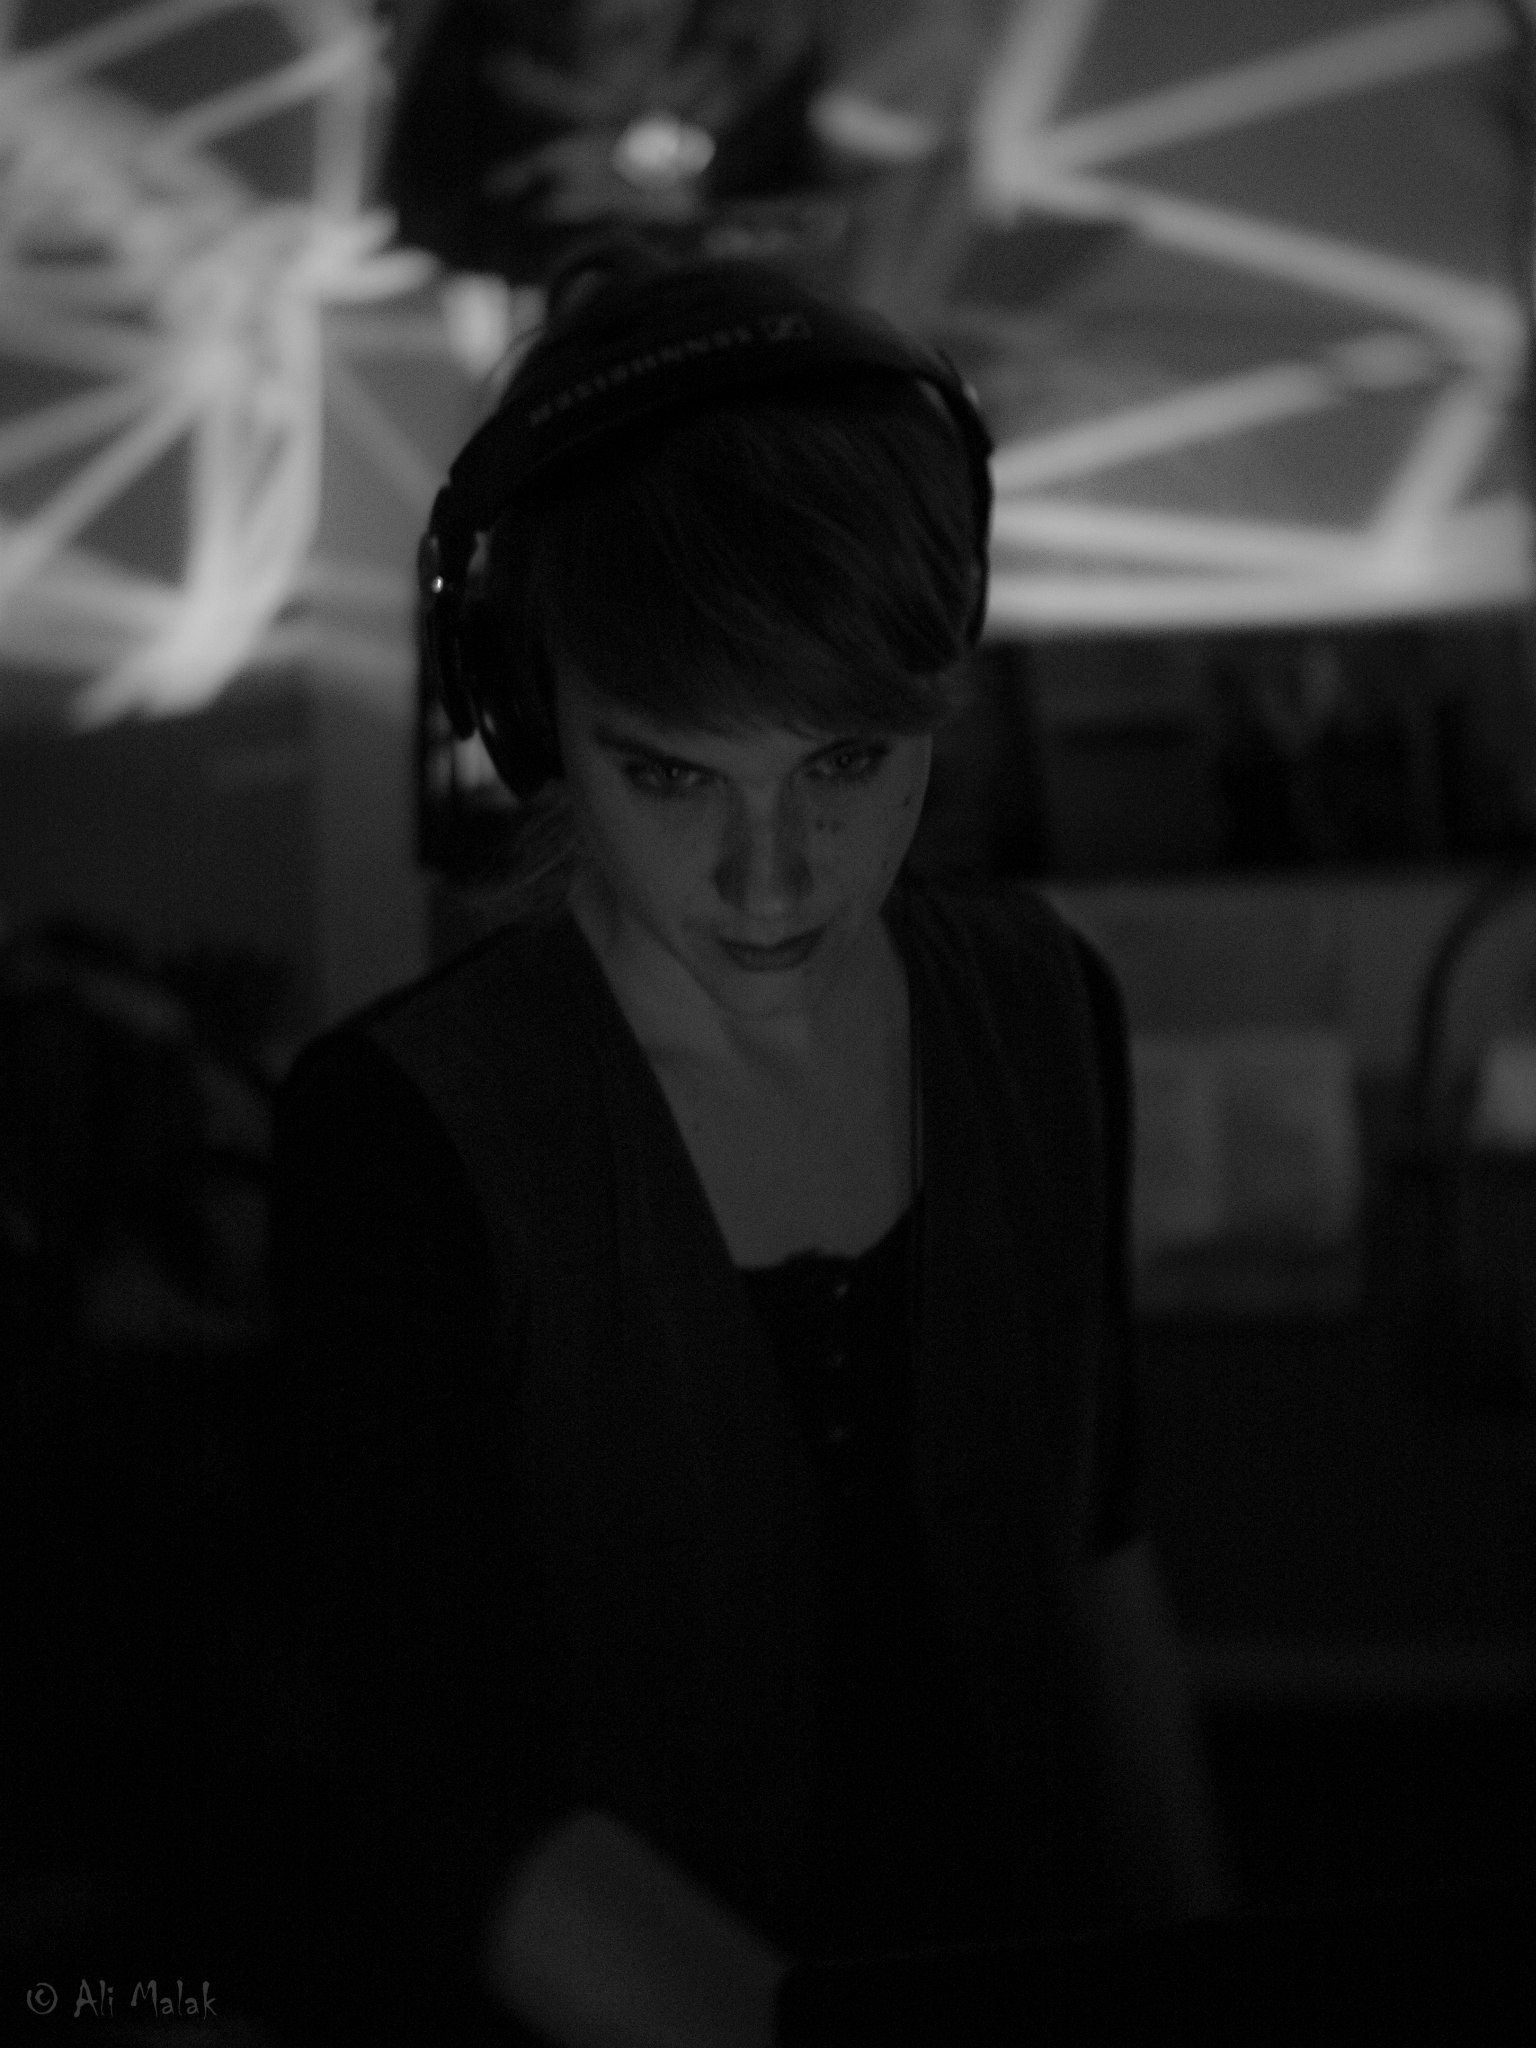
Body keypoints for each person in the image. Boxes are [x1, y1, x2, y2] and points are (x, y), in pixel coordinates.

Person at [250, 235, 1230, 2047]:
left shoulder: (1043, 1009)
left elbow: (1098, 1552)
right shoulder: (401, 1136)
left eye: (844, 766)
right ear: (532, 721)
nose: (773, 881)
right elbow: (445, 1792)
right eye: (673, 773)